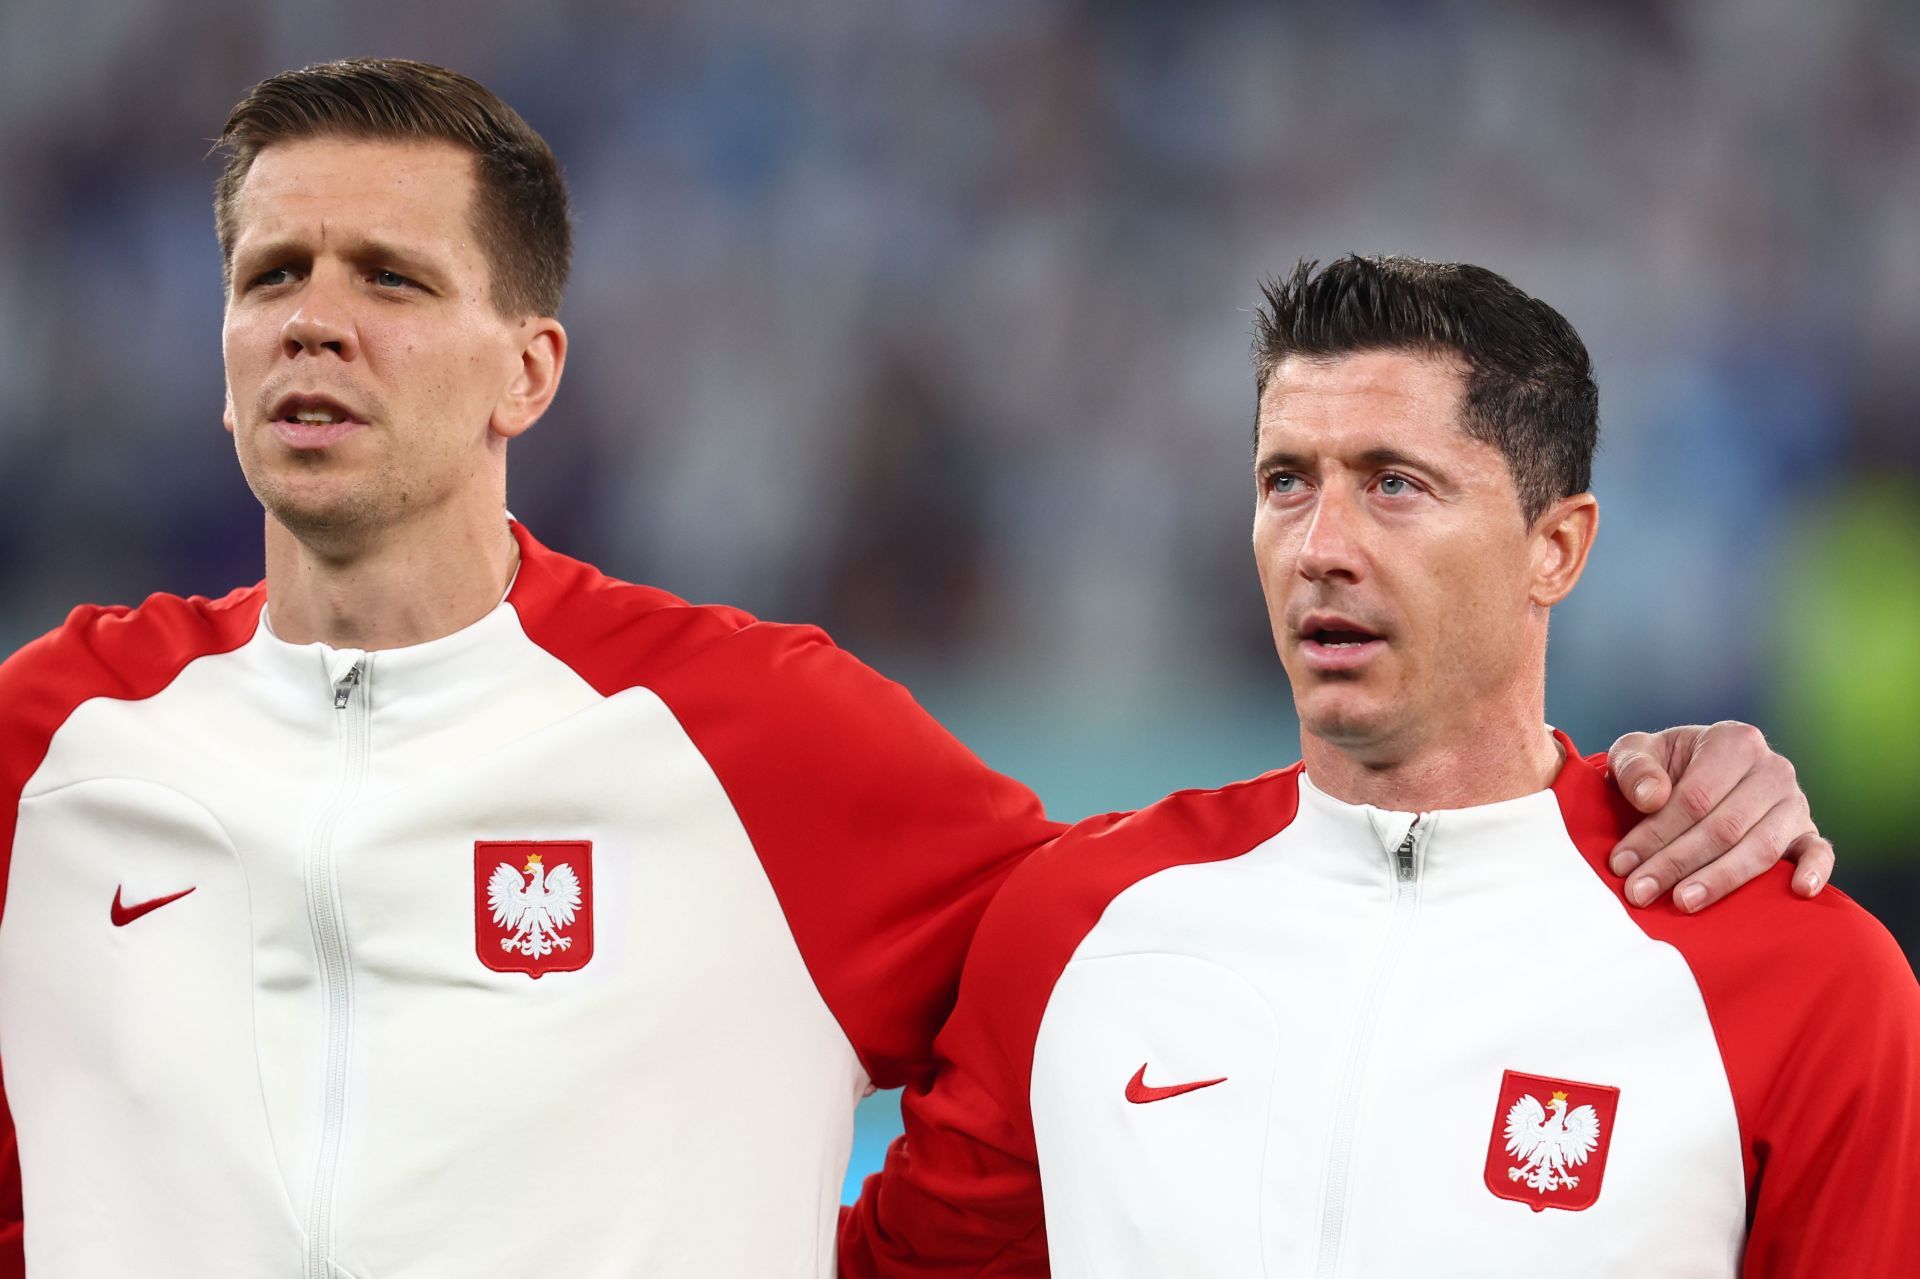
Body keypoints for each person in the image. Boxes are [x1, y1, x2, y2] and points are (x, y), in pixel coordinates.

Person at [0, 63, 1831, 1278]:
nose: (314, 315)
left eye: (390, 276)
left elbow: (1234, 913)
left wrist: (1614, 796)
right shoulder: (47, 745)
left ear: (529, 367)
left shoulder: (748, 737)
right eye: (270, 273)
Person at [838, 258, 1920, 1278]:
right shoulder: (1078, 925)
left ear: (1558, 547)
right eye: (1286, 481)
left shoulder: (1801, 982)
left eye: (1393, 484)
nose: (1320, 545)